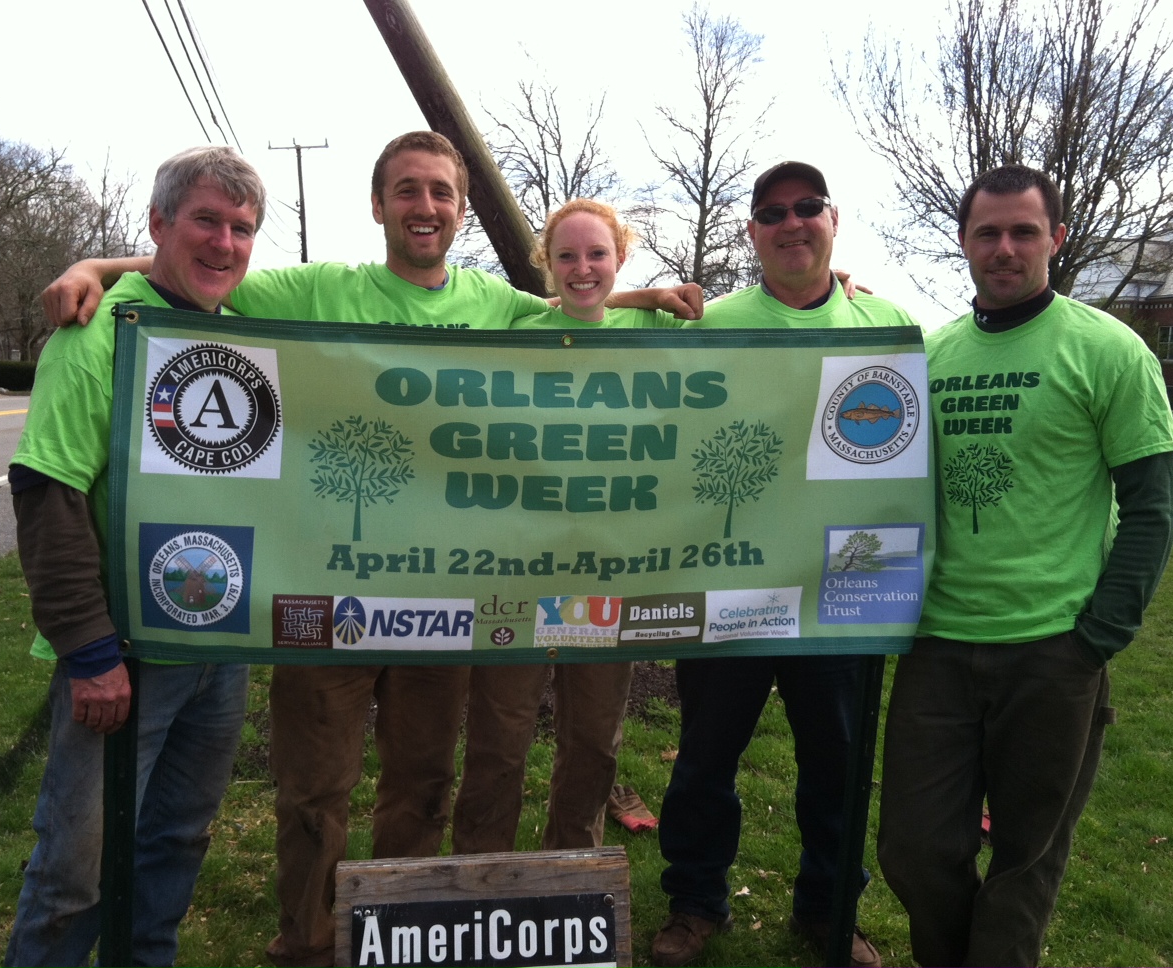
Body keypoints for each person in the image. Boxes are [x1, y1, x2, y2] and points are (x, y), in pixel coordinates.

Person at [40, 132, 702, 968]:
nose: (424, 207)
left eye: (439, 193)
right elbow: (197, 266)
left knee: (419, 790)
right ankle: (310, 945)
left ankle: (400, 937)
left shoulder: (495, 305)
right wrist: (97, 269)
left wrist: (647, 298)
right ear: (380, 203)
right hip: (323, 598)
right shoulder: (321, 289)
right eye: (406, 190)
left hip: (440, 606)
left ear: (461, 209)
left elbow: (582, 304)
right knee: (315, 793)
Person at [876, 164, 1173, 968]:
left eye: (1023, 232)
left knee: (1025, 860)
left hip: (1053, 651)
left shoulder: (1108, 351)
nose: (1004, 248)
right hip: (936, 645)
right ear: (965, 242)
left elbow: (1153, 506)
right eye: (987, 232)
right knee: (912, 853)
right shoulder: (930, 355)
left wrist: (1097, 637)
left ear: (1056, 239)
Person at [4, 146, 265, 968]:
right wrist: (90, 654)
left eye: (242, 228)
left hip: (217, 651)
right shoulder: (96, 336)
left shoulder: (239, 325)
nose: (225, 244)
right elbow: (47, 496)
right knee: (74, 874)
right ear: (157, 223)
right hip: (120, 655)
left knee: (174, 846)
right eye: (205, 222)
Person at [649, 161, 914, 968]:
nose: (791, 222)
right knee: (704, 760)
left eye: (808, 207)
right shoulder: (712, 323)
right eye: (772, 212)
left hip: (850, 584)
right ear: (753, 231)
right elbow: (585, 341)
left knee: (836, 766)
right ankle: (695, 903)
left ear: (835, 219)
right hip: (729, 584)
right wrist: (638, 296)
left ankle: (829, 913)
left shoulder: (889, 322)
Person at [452, 199, 686, 856]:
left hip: (605, 577)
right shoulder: (518, 323)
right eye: (566, 256)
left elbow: (753, 347)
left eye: (597, 255)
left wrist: (841, 289)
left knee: (592, 747)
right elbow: (569, 304)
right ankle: (480, 874)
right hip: (515, 577)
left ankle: (573, 871)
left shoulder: (655, 330)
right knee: (498, 745)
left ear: (621, 259)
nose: (582, 269)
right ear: (545, 265)